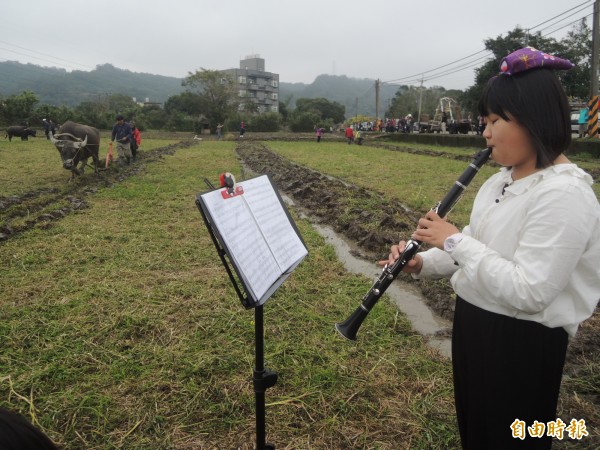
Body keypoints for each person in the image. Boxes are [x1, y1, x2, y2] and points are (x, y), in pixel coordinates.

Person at [382, 47, 600, 450]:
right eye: (485, 121)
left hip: (522, 342)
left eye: (497, 120)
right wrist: (421, 262)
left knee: (510, 439)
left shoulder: (565, 194)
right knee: (477, 429)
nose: (485, 132)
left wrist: (451, 238)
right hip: (475, 323)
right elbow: (477, 246)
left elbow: (531, 291)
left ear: (537, 120)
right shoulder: (499, 181)